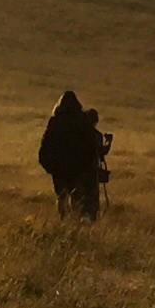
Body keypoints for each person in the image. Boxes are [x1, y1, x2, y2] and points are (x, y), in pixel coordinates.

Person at [38, 89, 109, 219]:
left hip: (59, 169)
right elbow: (91, 146)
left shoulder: (55, 122)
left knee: (62, 197)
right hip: (79, 169)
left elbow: (46, 146)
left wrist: (50, 166)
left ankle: (63, 220)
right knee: (79, 198)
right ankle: (79, 221)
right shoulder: (82, 122)